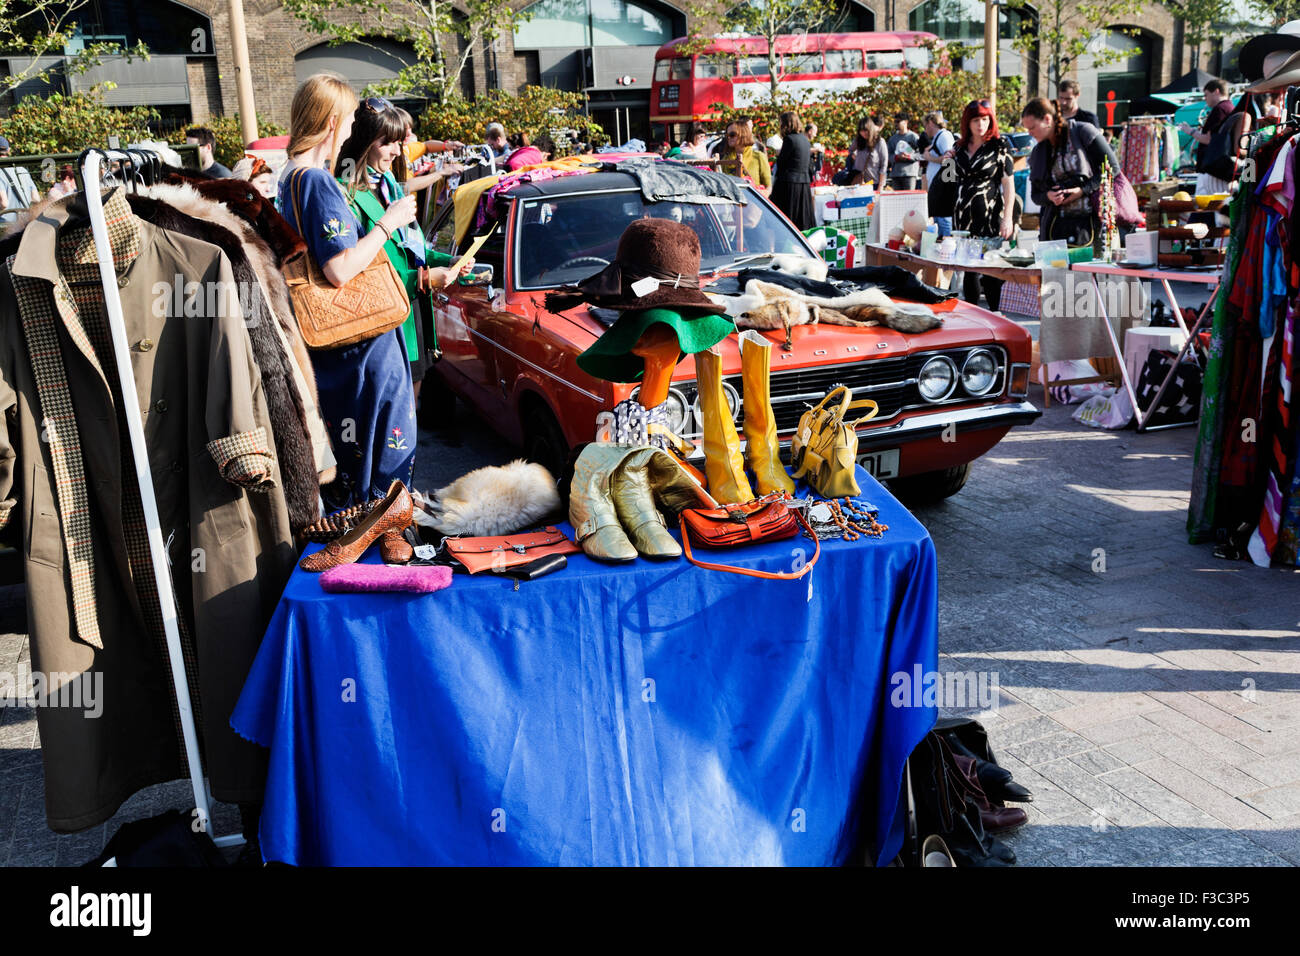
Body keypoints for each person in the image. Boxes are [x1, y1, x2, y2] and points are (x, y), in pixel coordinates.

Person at [277, 74, 421, 509]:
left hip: (332, 339)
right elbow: (339, 268)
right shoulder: (316, 181)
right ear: (332, 122)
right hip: (361, 338)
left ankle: (363, 537)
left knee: (356, 451)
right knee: (388, 445)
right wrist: (387, 222)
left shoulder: (289, 178)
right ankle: (383, 537)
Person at [335, 96, 475, 409]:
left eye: (400, 142)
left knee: (409, 412)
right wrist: (424, 279)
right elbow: (357, 271)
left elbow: (412, 243)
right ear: (366, 141)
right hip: (381, 322)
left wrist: (449, 261)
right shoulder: (343, 192)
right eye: (389, 143)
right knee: (391, 416)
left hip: (412, 313)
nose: (399, 151)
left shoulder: (388, 183)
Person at [1022, 95, 1121, 251]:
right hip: (1054, 229)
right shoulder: (1039, 151)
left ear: (1047, 119)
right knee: (1061, 275)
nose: (1030, 133)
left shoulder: (1083, 131)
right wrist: (1049, 196)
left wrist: (1082, 190)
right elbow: (1036, 195)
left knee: (1084, 274)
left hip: (1092, 223)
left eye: (1032, 128)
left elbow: (1113, 168)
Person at [944, 99, 1015, 311]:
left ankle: (996, 316)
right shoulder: (959, 147)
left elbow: (1008, 185)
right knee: (969, 270)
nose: (980, 124)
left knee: (990, 270)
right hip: (962, 219)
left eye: (985, 119)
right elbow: (948, 182)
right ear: (968, 122)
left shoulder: (999, 146)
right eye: (976, 120)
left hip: (990, 216)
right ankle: (973, 319)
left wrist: (1008, 218)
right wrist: (947, 160)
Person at [1180, 78, 1235, 195]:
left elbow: (1209, 139)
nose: (1205, 99)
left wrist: (1190, 131)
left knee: (1207, 206)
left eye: (1206, 95)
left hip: (1212, 171)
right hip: (1220, 169)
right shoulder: (1229, 107)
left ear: (1216, 91)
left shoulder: (1220, 109)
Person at [770, 110, 814, 229]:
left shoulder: (789, 140)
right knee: (802, 221)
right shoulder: (805, 140)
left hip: (789, 185)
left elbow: (782, 162)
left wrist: (779, 154)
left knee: (785, 221)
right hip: (804, 184)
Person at [921, 111, 955, 237]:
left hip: (943, 190)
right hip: (937, 189)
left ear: (931, 123)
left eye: (925, 126)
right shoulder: (939, 137)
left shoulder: (944, 136)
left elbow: (949, 160)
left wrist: (929, 158)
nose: (925, 130)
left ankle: (947, 243)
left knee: (944, 220)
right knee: (938, 220)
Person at [718, 120, 771, 192]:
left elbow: (768, 187)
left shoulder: (758, 157)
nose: (729, 138)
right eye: (727, 135)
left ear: (743, 134)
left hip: (753, 201)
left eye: (732, 135)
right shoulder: (726, 160)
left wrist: (761, 194)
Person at [847, 115, 888, 188]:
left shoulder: (880, 142)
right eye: (861, 131)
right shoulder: (858, 141)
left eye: (866, 130)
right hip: (859, 183)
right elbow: (850, 151)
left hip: (874, 183)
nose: (863, 133)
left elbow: (884, 165)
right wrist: (853, 155)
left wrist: (880, 187)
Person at [887, 112, 921, 190]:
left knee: (909, 199)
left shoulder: (913, 137)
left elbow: (920, 154)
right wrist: (896, 157)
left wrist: (908, 157)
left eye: (898, 121)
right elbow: (889, 155)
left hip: (909, 174)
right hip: (896, 175)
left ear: (905, 122)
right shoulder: (892, 139)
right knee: (898, 200)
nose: (896, 123)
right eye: (895, 121)